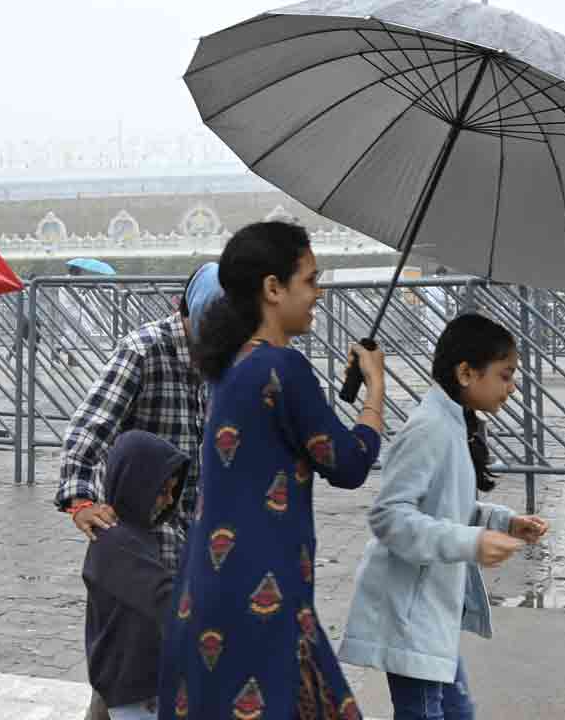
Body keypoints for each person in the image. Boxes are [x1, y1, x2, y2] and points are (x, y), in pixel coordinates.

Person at [157, 221, 386, 720]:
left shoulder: (230, 365)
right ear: (273, 288)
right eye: (310, 280)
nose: (318, 294)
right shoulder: (284, 368)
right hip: (264, 596)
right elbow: (349, 464)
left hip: (210, 588)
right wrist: (374, 391)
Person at [337, 313, 549, 720]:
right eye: (505, 375)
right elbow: (389, 516)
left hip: (430, 610)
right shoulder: (430, 427)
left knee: (457, 712)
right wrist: (471, 542)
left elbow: (447, 508)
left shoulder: (454, 424)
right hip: (409, 612)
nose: (513, 386)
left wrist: (505, 523)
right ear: (467, 372)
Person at [56, 261, 224, 720]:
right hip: (138, 537)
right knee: (125, 661)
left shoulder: (220, 363)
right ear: (187, 309)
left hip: (191, 528)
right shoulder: (144, 350)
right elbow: (89, 429)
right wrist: (81, 500)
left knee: (153, 668)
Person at [83, 430, 189, 720]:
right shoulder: (115, 541)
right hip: (132, 688)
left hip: (129, 682)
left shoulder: (138, 534)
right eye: (162, 490)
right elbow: (163, 599)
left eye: (173, 490)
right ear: (138, 485)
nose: (169, 500)